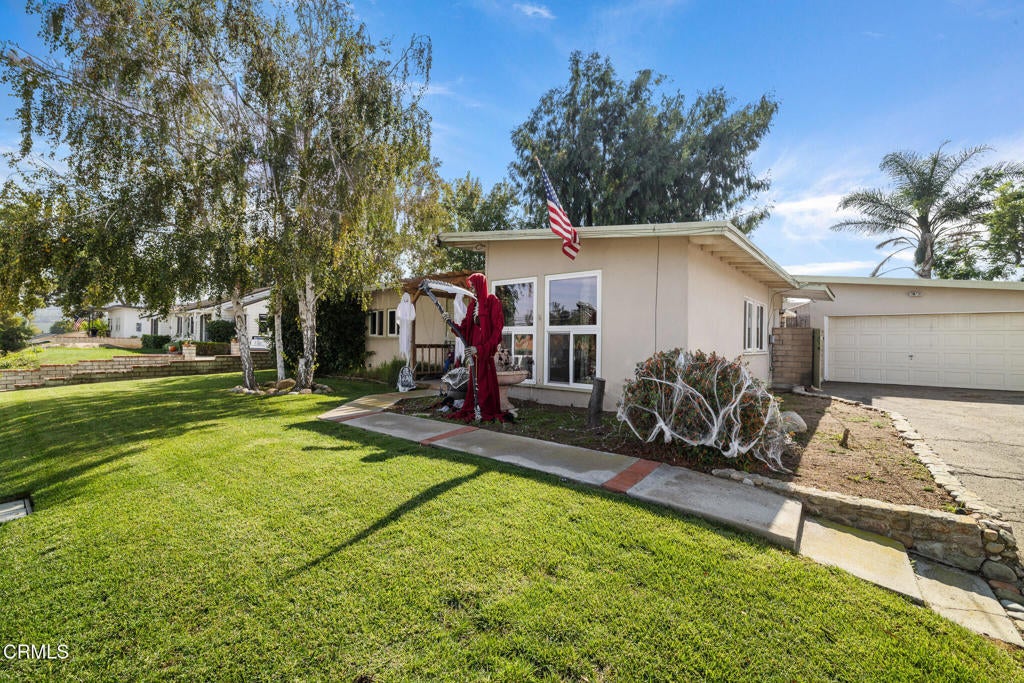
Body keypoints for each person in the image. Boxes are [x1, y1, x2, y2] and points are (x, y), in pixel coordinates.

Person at [443, 273, 506, 422]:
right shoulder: (472, 306)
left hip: (484, 353)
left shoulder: (492, 301)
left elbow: (497, 332)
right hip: (473, 353)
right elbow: (464, 330)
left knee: (485, 384)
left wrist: (482, 349)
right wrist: (451, 323)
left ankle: (484, 409)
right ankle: (475, 407)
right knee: (474, 382)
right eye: (471, 287)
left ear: (480, 285)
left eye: (474, 287)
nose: (472, 290)